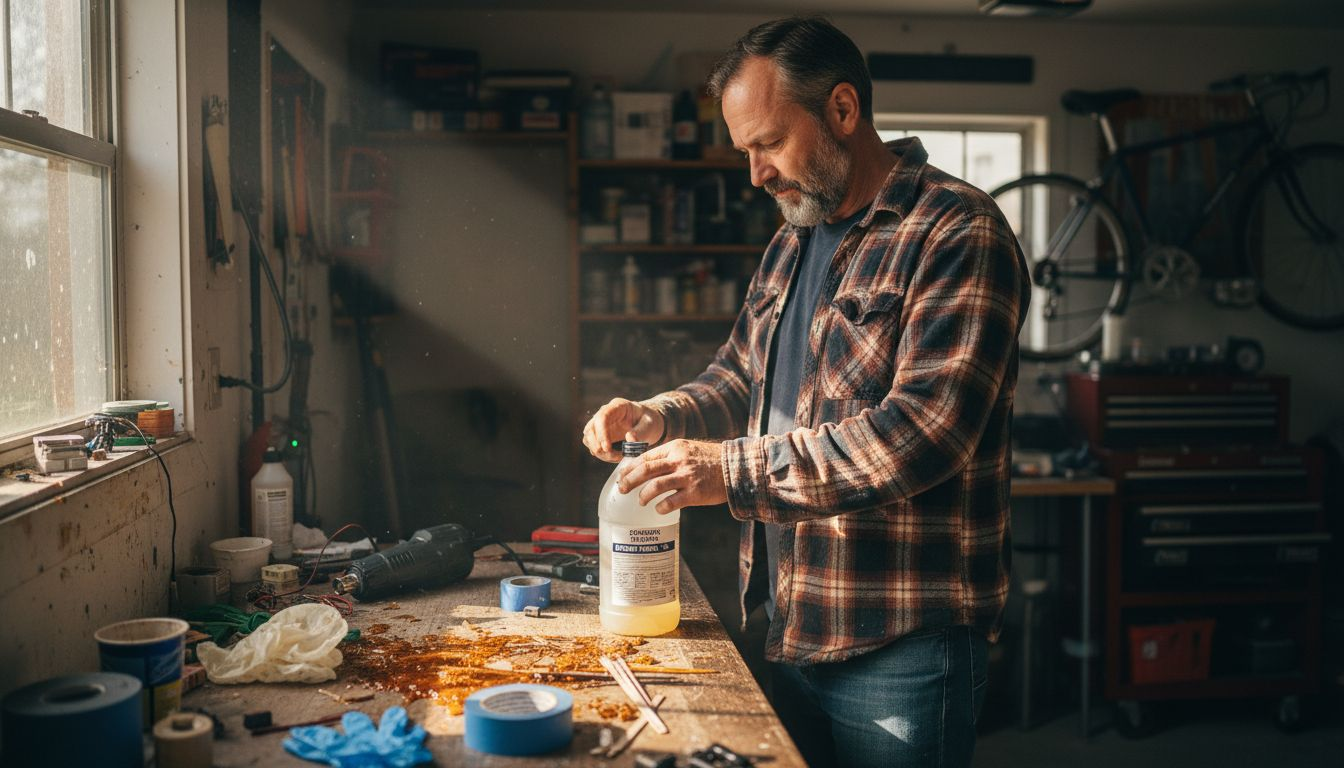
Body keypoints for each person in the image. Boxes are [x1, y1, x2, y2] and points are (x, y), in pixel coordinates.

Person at [581, 16, 1030, 768]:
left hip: (902, 642)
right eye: (746, 151)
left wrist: (728, 470)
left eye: (768, 143)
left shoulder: (957, 231)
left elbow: (923, 433)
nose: (755, 173)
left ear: (843, 111)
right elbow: (738, 374)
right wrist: (659, 414)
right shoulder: (796, 235)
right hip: (790, 618)